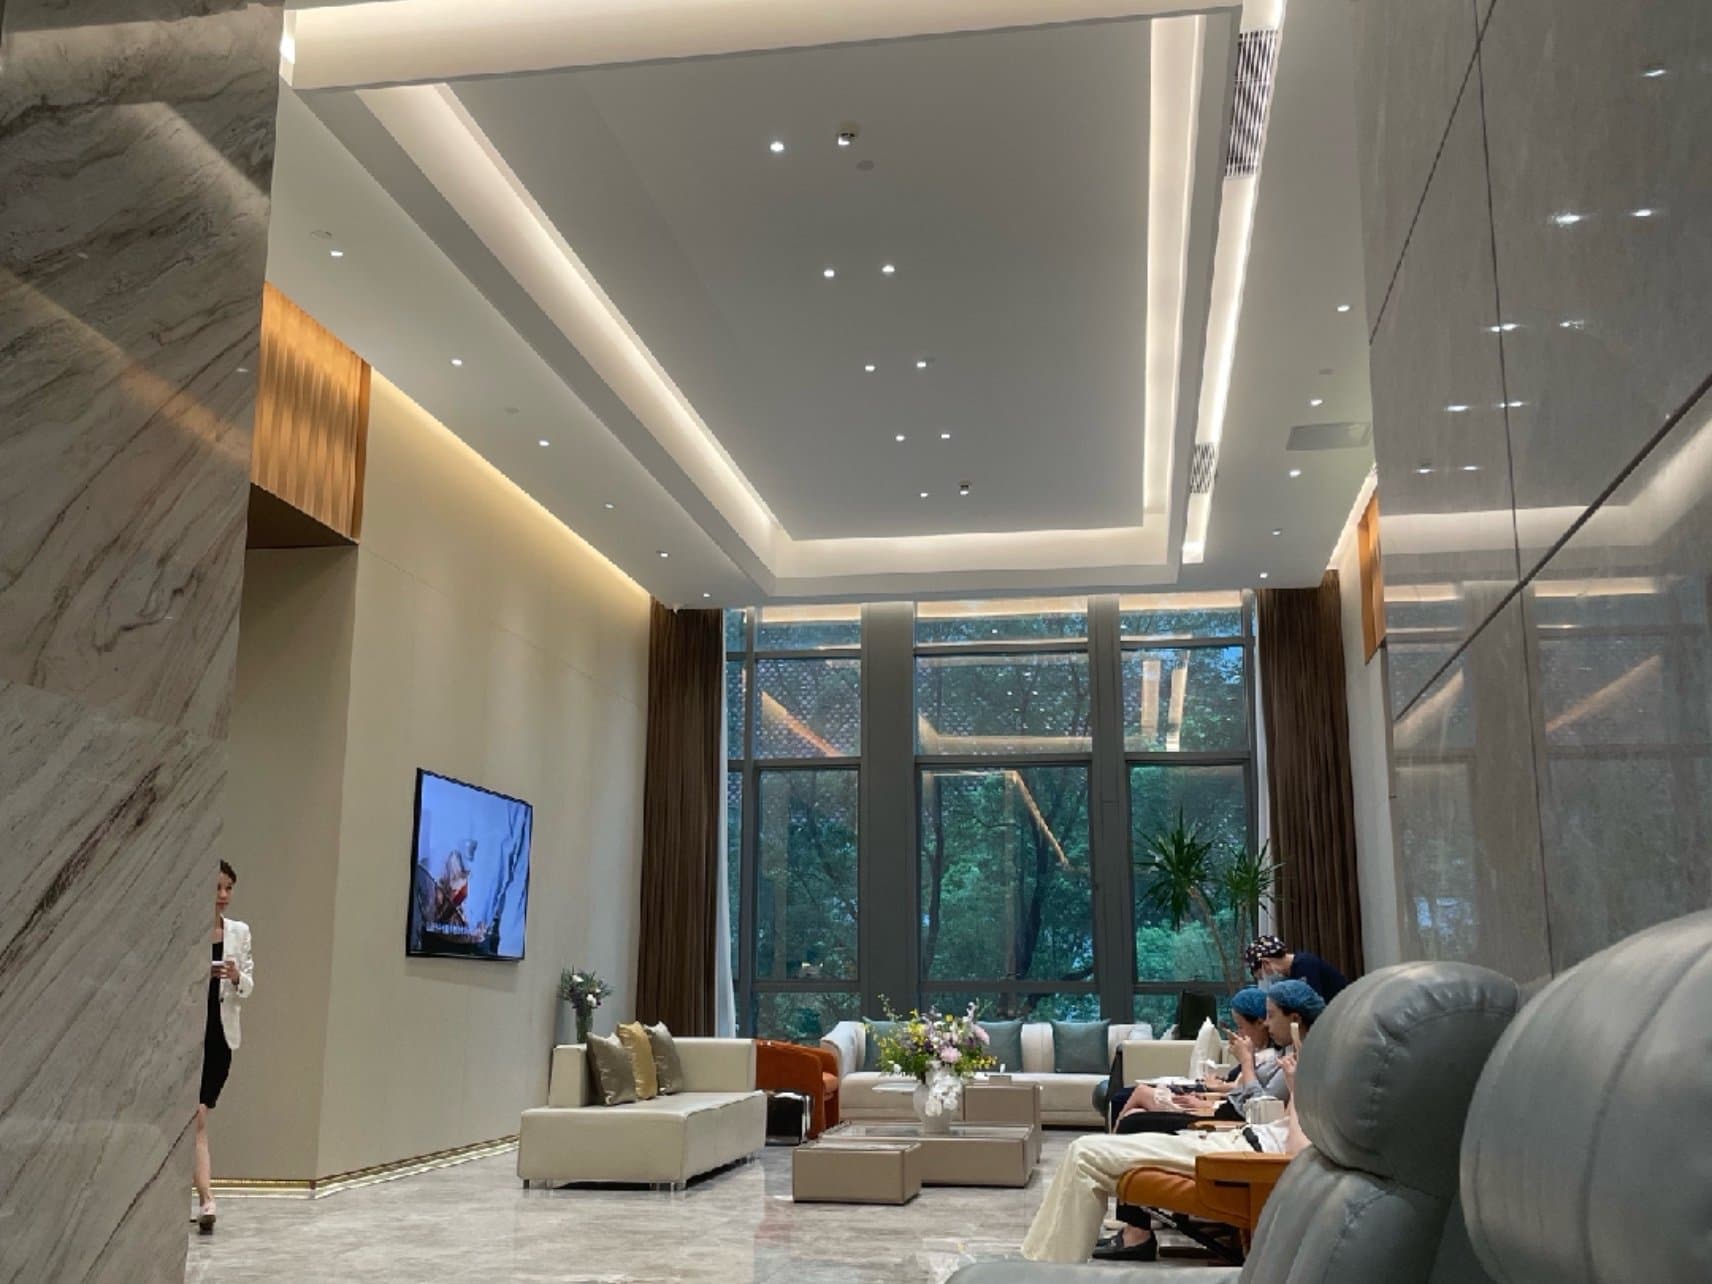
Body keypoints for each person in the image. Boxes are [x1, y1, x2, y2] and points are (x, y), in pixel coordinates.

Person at [1088, 983, 1323, 1262]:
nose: (1267, 1023)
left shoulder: (1300, 1061)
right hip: (1237, 1124)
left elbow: (1262, 1107)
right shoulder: (1292, 1055)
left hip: (1240, 1131)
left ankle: (1136, 1233)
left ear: (1295, 1019)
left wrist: (1246, 1065)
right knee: (1133, 1115)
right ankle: (1132, 1223)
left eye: (1271, 1015)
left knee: (1132, 1123)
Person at [1023, 1049, 1312, 1264]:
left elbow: (1297, 1157)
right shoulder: (1326, 1095)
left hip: (1242, 1158)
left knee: (1084, 1154)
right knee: (1085, 1151)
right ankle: (1040, 1266)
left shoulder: (1332, 1105)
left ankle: (1046, 1270)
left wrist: (1298, 1090)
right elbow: (1286, 1124)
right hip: (1236, 1141)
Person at [194, 860, 254, 1234]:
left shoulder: (239, 932)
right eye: (217, 887)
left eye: (228, 888)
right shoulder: (186, 929)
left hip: (220, 1036)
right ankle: (206, 1198)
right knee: (196, 1118)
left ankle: (204, 1198)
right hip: (189, 1033)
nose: (223, 895)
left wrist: (235, 977)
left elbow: (248, 985)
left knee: (199, 1116)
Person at [1244, 934, 1349, 1002]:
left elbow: (1313, 1006)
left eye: (1262, 975)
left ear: (1266, 962)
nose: (1267, 979)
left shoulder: (1305, 965)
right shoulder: (1289, 976)